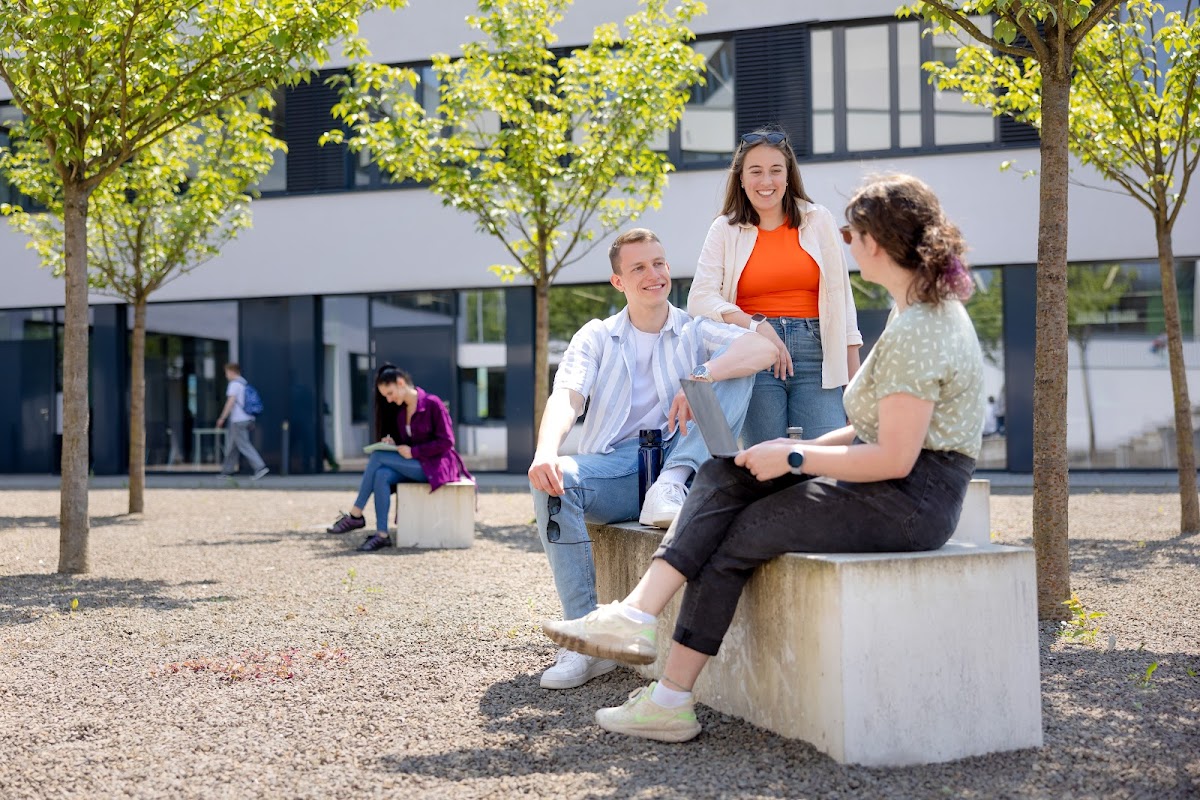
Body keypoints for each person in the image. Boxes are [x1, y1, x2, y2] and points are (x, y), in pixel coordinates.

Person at [542, 173, 985, 742]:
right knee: (725, 472)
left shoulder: (924, 326)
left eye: (851, 234)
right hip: (891, 486)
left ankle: (670, 699)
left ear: (877, 242)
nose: (846, 245)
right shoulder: (911, 313)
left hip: (912, 502)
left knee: (740, 532)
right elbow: (872, 429)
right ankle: (634, 615)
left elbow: (896, 458)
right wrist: (786, 450)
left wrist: (796, 457)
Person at [528, 228, 776, 691]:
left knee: (737, 362)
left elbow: (763, 348)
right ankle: (585, 640)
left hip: (686, 462)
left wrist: (701, 374)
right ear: (618, 281)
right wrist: (546, 452)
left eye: (659, 263)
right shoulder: (597, 335)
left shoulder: (694, 329)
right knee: (555, 481)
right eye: (639, 267)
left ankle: (673, 480)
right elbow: (568, 395)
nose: (653, 274)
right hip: (621, 468)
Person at [688, 127, 862, 445]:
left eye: (775, 170)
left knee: (825, 463)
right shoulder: (724, 229)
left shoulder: (818, 220)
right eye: (756, 171)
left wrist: (853, 386)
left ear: (788, 176)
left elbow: (844, 308)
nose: (766, 181)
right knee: (765, 463)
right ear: (741, 179)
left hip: (817, 355)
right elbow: (699, 298)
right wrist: (756, 325)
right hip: (755, 355)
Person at [326, 364, 473, 552]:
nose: (389, 399)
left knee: (378, 456)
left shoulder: (432, 404)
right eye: (385, 396)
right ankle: (382, 535)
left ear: (401, 383)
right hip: (417, 465)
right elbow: (409, 445)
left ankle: (355, 515)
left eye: (390, 393)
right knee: (381, 474)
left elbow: (447, 441)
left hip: (436, 467)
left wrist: (414, 452)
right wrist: (394, 445)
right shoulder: (402, 414)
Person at [215, 363, 269, 481]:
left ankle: (260, 467)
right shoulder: (244, 383)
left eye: (226, 373)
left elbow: (230, 402)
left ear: (231, 372)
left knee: (244, 445)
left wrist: (222, 417)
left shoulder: (234, 385)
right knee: (232, 446)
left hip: (238, 420)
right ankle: (227, 471)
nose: (226, 375)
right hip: (248, 418)